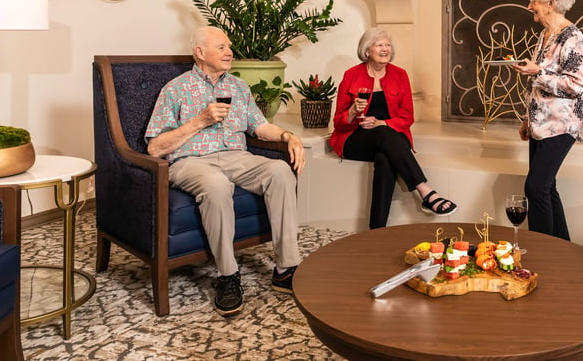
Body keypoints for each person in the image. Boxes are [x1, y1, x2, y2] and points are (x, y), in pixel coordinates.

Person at [145, 26, 306, 317]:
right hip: (191, 161)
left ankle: (285, 268)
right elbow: (155, 147)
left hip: (236, 157)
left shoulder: (238, 87)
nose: (229, 51)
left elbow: (260, 126)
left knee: (281, 171)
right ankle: (227, 275)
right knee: (217, 184)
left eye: (228, 46)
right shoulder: (175, 89)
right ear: (200, 53)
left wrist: (288, 137)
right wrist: (199, 121)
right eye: (221, 47)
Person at [329, 28, 458, 229]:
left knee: (385, 158)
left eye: (388, 45)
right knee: (382, 136)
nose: (385, 49)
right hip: (357, 138)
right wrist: (354, 111)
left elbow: (408, 116)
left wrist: (383, 123)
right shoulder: (352, 75)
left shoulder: (399, 75)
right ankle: (425, 190)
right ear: (367, 50)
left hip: (392, 136)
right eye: (379, 45)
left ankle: (376, 230)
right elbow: (338, 121)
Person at [511, 0, 583, 241]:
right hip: (540, 124)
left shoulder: (572, 37)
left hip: (562, 125)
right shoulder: (545, 35)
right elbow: (538, 85)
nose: (530, 6)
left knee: (535, 188)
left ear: (551, 3)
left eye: (534, 0)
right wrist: (526, 119)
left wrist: (536, 72)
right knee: (547, 188)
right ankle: (564, 250)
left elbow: (575, 86)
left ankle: (543, 255)